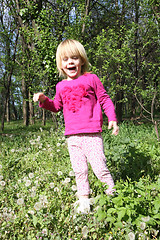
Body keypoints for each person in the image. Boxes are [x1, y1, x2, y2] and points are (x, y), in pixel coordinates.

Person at [33, 39, 119, 214]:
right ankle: (84, 201)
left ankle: (113, 196)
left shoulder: (91, 79)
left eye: (74, 58)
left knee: (100, 167)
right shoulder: (61, 86)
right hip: (72, 136)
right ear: (61, 64)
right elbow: (56, 106)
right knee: (79, 170)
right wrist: (44, 100)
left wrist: (112, 118)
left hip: (92, 135)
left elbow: (104, 99)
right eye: (65, 59)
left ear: (81, 61)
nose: (70, 62)